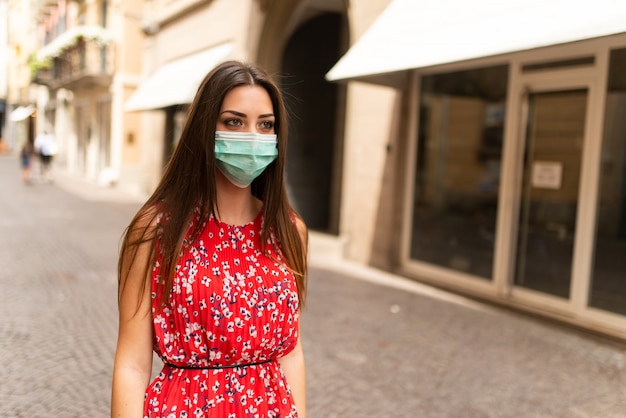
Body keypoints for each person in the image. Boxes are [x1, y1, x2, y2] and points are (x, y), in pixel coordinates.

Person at [111, 61, 308, 418]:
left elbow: (291, 351)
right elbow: (132, 364)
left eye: (265, 125)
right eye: (234, 121)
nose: (252, 137)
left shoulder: (289, 230)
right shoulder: (156, 229)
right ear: (205, 128)